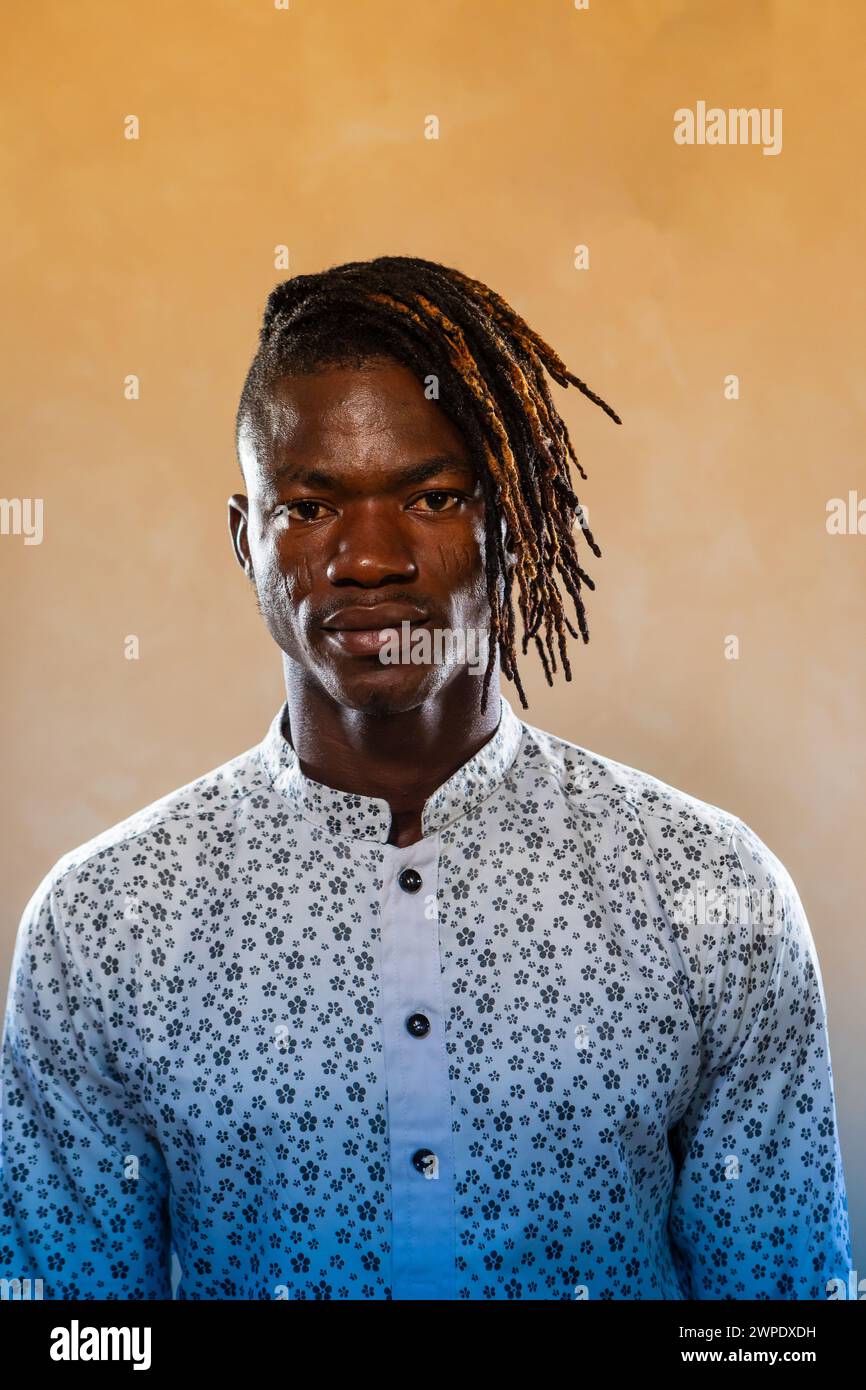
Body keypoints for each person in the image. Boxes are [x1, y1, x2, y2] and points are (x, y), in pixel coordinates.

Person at [0, 257, 850, 1300]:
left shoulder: (712, 891)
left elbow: (780, 1323)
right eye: (308, 507)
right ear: (243, 540)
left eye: (432, 496)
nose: (367, 558)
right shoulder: (102, 923)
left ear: (514, 519)